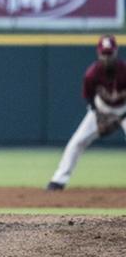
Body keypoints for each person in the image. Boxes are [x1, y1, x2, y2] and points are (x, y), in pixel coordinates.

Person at [47, 34, 126, 191]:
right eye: (104, 53)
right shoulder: (92, 74)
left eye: (109, 53)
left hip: (124, 109)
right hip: (101, 109)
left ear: (116, 52)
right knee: (77, 142)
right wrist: (99, 115)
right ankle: (58, 180)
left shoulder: (124, 70)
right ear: (98, 53)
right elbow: (88, 97)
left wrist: (121, 117)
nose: (106, 57)